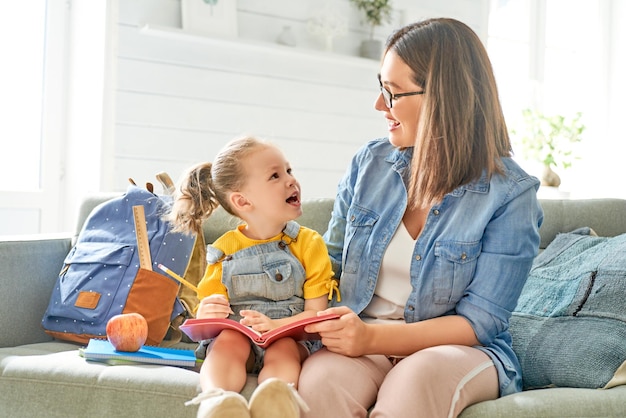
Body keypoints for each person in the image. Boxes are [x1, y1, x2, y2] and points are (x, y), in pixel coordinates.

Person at [298, 17, 544, 418]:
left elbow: (479, 321)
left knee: (414, 382)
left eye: (392, 93)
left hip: (457, 352)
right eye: (381, 89)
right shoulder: (369, 164)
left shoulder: (511, 194)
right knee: (320, 384)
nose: (380, 105)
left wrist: (371, 339)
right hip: (362, 339)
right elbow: (328, 266)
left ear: (443, 98)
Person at [168, 136, 337, 418]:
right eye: (275, 175)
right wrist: (208, 309)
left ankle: (276, 400)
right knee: (227, 342)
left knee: (283, 349)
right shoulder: (223, 250)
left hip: (290, 336)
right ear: (242, 201)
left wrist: (276, 325)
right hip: (238, 336)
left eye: (289, 170)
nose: (290, 180)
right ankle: (216, 402)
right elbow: (207, 305)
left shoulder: (309, 243)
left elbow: (316, 315)